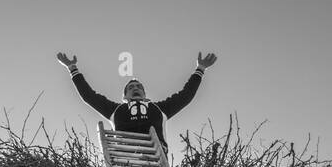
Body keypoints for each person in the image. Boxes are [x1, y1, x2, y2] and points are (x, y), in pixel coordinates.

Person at [56, 52, 217, 155]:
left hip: (156, 159)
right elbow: (89, 96)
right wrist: (73, 69)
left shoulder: (159, 109)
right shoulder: (116, 110)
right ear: (125, 96)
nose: (136, 88)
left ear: (145, 94)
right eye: (131, 87)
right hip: (127, 160)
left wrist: (200, 69)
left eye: (139, 87)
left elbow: (185, 96)